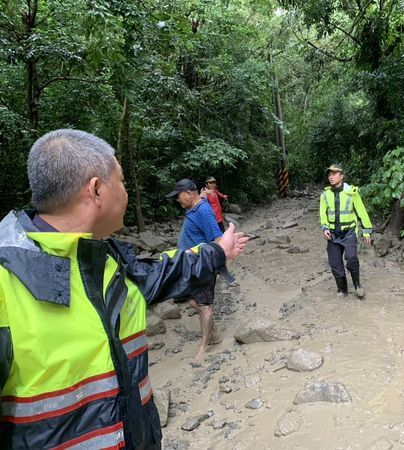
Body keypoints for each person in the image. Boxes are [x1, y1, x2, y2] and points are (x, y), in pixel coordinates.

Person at [0, 129, 248, 450]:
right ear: (97, 189)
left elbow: (160, 272)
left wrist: (218, 251)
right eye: (122, 181)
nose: (126, 192)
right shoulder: (7, 283)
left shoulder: (106, 261)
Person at [166, 178, 224, 363]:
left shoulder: (204, 211)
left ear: (190, 193)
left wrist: (216, 265)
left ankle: (203, 347)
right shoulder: (194, 209)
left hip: (202, 266)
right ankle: (215, 335)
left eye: (179, 195)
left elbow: (217, 238)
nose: (177, 199)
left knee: (204, 307)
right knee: (194, 301)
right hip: (191, 265)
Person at [319, 163, 372, 299]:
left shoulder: (352, 192)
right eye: (330, 174)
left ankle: (357, 285)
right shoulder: (325, 195)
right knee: (335, 263)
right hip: (332, 234)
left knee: (351, 258)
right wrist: (324, 228)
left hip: (348, 233)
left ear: (341, 176)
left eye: (334, 174)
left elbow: (362, 212)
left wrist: (366, 231)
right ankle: (342, 290)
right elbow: (323, 215)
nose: (331, 177)